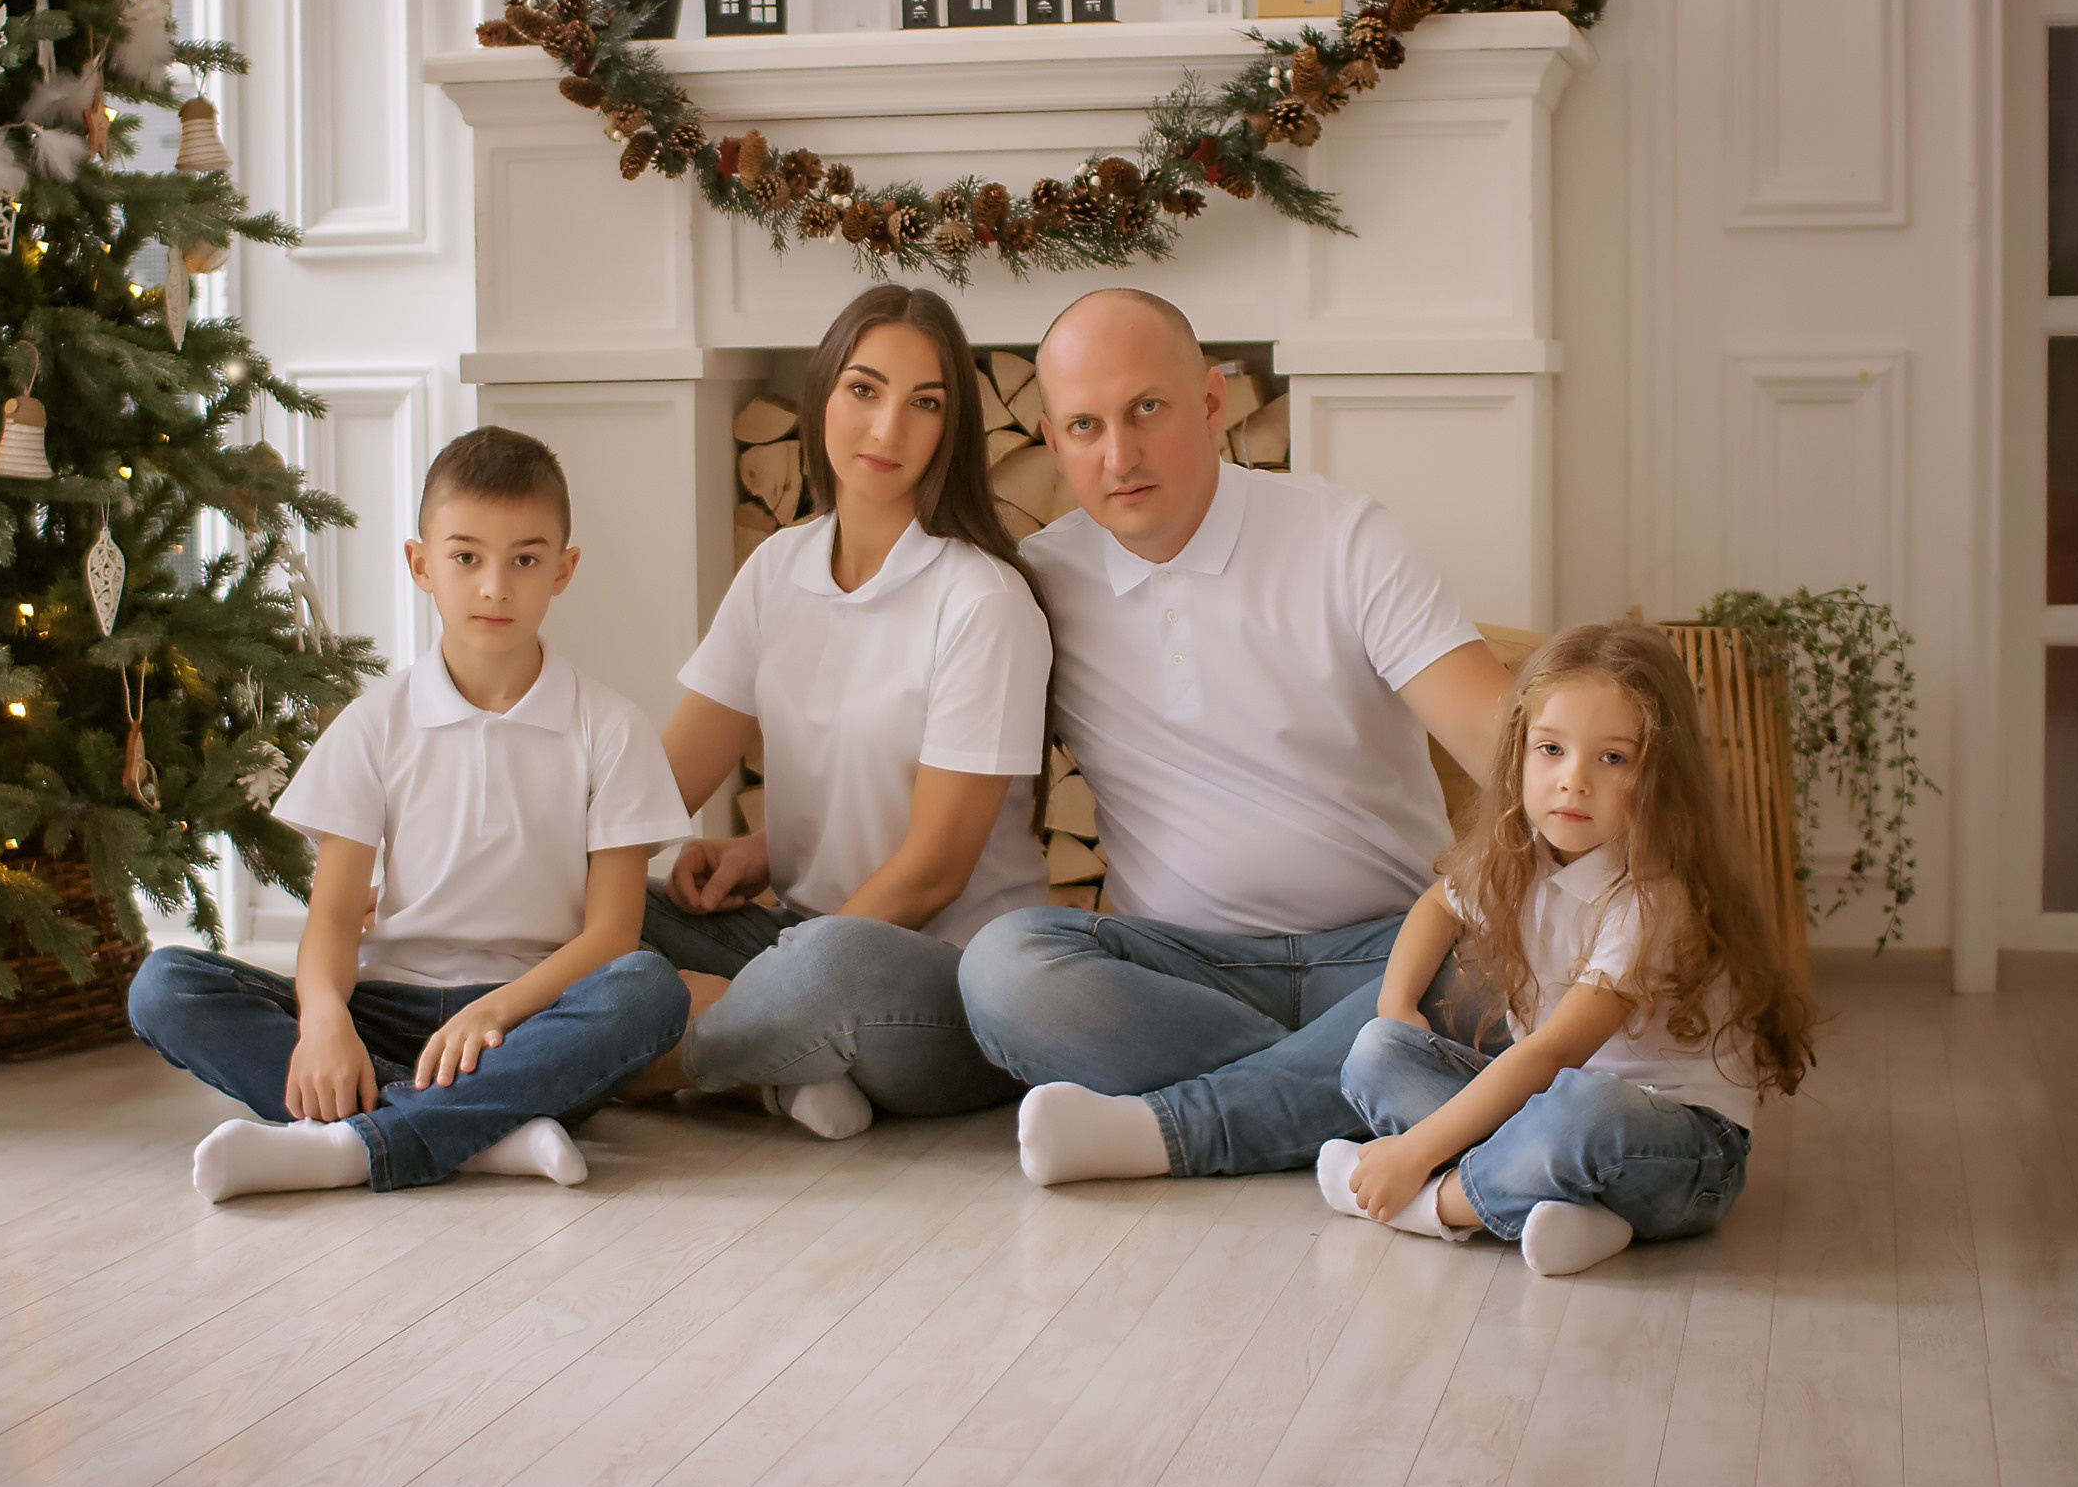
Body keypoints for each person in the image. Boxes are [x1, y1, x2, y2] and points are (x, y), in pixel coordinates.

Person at [957, 288, 1518, 1184]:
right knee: (1002, 970)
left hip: (1391, 957)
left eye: (1147, 408)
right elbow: (947, 764)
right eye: (1085, 426)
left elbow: (1509, 750)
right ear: (1053, 443)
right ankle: (1359, 1087)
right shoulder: (1035, 587)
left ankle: (1177, 1128)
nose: (1119, 456)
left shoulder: (1346, 538)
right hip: (1181, 978)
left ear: (1213, 401)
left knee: (1507, 964)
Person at [127, 427, 694, 1203]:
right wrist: (325, 1020)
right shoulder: (374, 722)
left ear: (564, 570)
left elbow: (612, 937)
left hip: (530, 1018)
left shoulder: (612, 727)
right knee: (164, 984)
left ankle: (358, 1143)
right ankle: (485, 1131)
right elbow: (333, 919)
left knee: (649, 989)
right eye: (466, 557)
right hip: (387, 1006)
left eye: (525, 560)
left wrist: (495, 1010)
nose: (494, 586)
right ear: (421, 564)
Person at [621, 284, 1052, 1138]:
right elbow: (658, 787)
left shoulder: (983, 601)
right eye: (864, 389)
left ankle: (642, 1060)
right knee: (595, 897)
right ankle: (780, 1075)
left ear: (952, 427)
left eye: (924, 403)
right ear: (823, 393)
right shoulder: (777, 568)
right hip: (798, 936)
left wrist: (775, 981)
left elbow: (933, 872)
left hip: (938, 985)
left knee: (824, 969)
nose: (888, 429)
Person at [1317, 621, 1817, 1276]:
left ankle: (1437, 1206)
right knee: (1378, 1049)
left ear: (1661, 776)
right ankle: (1577, 1213)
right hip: (1548, 1106)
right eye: (1551, 749)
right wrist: (1398, 1003)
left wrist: (1414, 1154)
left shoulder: (1654, 899)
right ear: (1519, 753)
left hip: (1681, 1149)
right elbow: (1439, 906)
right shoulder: (1519, 854)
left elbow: (1553, 1053)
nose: (1573, 780)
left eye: (1613, 758)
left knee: (1583, 1109)